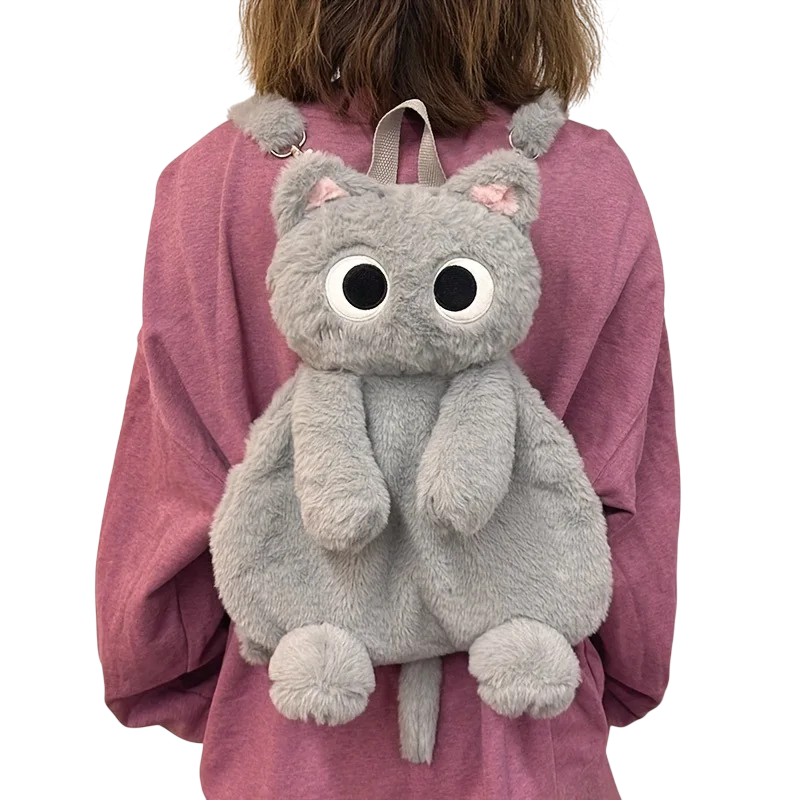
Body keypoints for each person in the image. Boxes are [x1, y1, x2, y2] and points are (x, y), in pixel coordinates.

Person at [95, 1, 680, 797]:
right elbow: (627, 495)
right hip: (522, 734)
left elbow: (170, 498)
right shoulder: (591, 184)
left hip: (292, 729)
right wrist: (605, 663)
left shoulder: (210, 182)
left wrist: (197, 667)